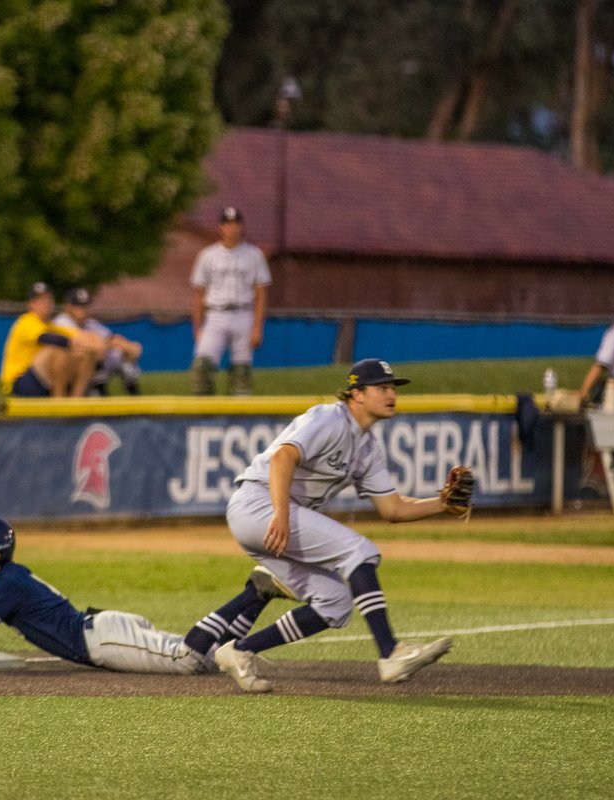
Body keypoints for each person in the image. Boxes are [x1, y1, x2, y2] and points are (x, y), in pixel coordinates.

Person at [184, 359, 461, 693]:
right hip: (257, 505)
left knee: (335, 603)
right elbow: (283, 457)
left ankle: (240, 651)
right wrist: (281, 514)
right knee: (359, 551)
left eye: (393, 388)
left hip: (273, 516)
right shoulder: (329, 418)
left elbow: (392, 508)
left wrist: (442, 504)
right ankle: (390, 653)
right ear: (356, 393)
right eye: (383, 387)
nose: (392, 394)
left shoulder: (369, 448)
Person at [0, 515, 261, 675]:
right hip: (102, 632)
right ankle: (256, 597)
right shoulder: (5, 581)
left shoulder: (7, 584)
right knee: (208, 660)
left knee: (189, 660)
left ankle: (255, 592)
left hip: (101, 638)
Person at [190, 206, 271, 396]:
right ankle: (204, 416)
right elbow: (198, 294)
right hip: (216, 314)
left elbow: (261, 293)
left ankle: (238, 418)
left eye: (235, 224)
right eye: (227, 224)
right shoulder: (208, 255)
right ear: (220, 227)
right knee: (202, 366)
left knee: (241, 372)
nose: (231, 229)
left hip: (243, 313)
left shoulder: (254, 255)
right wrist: (198, 327)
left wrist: (258, 327)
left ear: (241, 227)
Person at [0, 282, 108, 398]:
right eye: (40, 300)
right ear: (31, 304)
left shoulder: (51, 325)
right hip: (20, 380)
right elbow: (48, 338)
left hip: (42, 380)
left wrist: (96, 344)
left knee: (85, 354)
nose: (45, 303)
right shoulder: (26, 322)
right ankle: (58, 397)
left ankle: (76, 399)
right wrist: (77, 344)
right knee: (59, 349)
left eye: (48, 299)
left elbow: (80, 336)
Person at [53, 287, 144, 396]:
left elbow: (112, 338)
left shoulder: (90, 323)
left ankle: (134, 395)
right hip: (66, 375)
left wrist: (130, 347)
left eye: (85, 305)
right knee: (93, 352)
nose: (82, 309)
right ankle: (95, 390)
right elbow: (91, 345)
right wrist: (108, 344)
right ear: (68, 306)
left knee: (119, 353)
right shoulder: (61, 321)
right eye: (78, 305)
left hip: (86, 369)